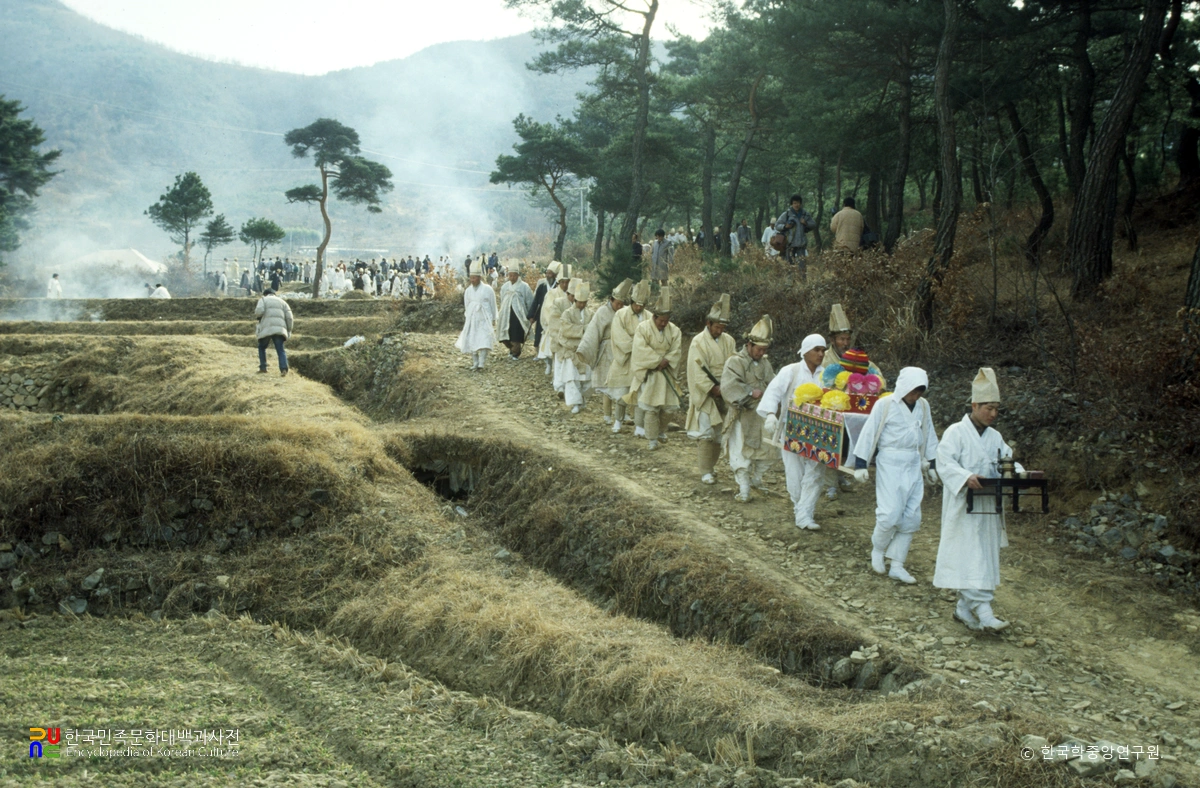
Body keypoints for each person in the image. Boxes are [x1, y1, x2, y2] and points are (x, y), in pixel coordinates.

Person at [933, 368, 1019, 633]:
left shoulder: (996, 437)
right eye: (988, 408)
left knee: (984, 556)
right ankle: (984, 611)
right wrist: (965, 476)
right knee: (968, 555)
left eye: (996, 409)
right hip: (964, 505)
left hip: (988, 506)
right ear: (974, 405)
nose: (993, 414)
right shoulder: (955, 432)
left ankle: (963, 608)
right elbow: (943, 463)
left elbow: (1007, 461)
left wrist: (1017, 471)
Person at [852, 367, 939, 584]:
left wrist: (933, 464)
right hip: (890, 461)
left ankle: (897, 564)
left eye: (920, 391)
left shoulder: (923, 407)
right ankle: (878, 550)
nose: (916, 396)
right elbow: (870, 432)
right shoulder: (886, 404)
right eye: (913, 391)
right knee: (889, 513)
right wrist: (861, 464)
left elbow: (929, 434)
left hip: (913, 462)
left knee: (911, 517)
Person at [758, 334, 828, 530]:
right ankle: (800, 507)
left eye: (823, 350)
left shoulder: (827, 375)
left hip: (819, 432)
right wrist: (771, 414)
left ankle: (806, 514)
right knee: (795, 472)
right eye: (817, 350)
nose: (821, 354)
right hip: (792, 430)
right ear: (805, 351)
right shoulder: (791, 371)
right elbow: (774, 392)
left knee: (815, 472)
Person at [721, 315, 776, 502]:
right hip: (742, 414)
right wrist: (749, 391)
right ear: (749, 345)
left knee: (767, 450)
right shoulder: (735, 361)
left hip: (761, 415)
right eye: (759, 349)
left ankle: (757, 479)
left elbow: (773, 383)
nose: (761, 353)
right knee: (740, 451)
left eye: (764, 350)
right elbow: (729, 386)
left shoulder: (765, 363)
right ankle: (744, 488)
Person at [686, 294, 735, 484]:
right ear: (708, 323)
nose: (719, 330)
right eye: (717, 327)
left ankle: (712, 467)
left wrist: (728, 386)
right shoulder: (698, 342)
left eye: (722, 328)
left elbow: (733, 365)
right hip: (707, 392)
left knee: (719, 432)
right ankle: (705, 470)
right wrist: (711, 387)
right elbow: (696, 370)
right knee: (706, 432)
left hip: (725, 390)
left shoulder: (729, 340)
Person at [627, 287, 682, 451]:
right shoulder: (643, 328)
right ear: (654, 317)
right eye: (660, 321)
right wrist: (656, 361)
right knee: (651, 408)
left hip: (666, 373)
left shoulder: (675, 330)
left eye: (666, 321)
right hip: (650, 373)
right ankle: (652, 439)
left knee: (669, 407)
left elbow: (676, 350)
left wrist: (667, 360)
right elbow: (639, 349)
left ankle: (660, 430)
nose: (663, 324)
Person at [576, 279, 631, 425]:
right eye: (617, 303)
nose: (619, 306)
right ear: (611, 300)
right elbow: (593, 332)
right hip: (606, 350)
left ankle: (622, 414)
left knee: (622, 384)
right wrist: (585, 349)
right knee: (607, 384)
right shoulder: (602, 312)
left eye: (621, 304)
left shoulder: (626, 313)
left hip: (621, 350)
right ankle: (607, 414)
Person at [606, 280, 651, 435]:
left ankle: (639, 426)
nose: (639, 308)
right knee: (622, 392)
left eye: (642, 305)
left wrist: (644, 350)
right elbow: (619, 337)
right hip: (625, 358)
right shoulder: (621, 314)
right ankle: (618, 421)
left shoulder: (649, 317)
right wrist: (637, 345)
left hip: (641, 361)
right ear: (632, 302)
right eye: (637, 304)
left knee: (640, 394)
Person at [821, 304, 888, 389]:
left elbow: (881, 382)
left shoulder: (858, 359)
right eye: (842, 339)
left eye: (848, 339)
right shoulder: (823, 359)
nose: (846, 343)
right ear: (832, 340)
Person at [454, 259, 498, 371]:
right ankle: (475, 362)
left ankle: (482, 362)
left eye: (474, 278)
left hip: (484, 318)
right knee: (472, 339)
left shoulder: (488, 289)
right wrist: (468, 315)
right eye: (471, 278)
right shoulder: (468, 291)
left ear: (479, 278)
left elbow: (493, 304)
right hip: (473, 318)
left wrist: (493, 318)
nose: (472, 280)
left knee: (484, 339)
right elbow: (466, 305)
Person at [558, 281, 593, 414]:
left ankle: (582, 400)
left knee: (585, 379)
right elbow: (566, 329)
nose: (582, 305)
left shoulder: (590, 314)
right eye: (579, 302)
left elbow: (593, 330)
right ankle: (575, 403)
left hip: (585, 351)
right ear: (575, 300)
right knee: (572, 378)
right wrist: (583, 330)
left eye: (584, 303)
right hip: (571, 351)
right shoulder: (567, 313)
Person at [530, 261, 561, 373]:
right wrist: (532, 315)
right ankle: (546, 362)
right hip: (543, 316)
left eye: (550, 273)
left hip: (556, 318)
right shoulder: (542, 286)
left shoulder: (559, 287)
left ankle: (553, 364)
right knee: (541, 338)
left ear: (556, 275)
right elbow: (536, 301)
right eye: (547, 273)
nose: (548, 275)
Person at [254, 288, 293, 376]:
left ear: (265, 294)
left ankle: (263, 367)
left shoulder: (263, 300)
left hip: (266, 327)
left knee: (262, 347)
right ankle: (283, 369)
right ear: (274, 294)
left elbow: (259, 312)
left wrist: (259, 317)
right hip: (279, 329)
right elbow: (289, 318)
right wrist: (289, 330)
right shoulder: (283, 302)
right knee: (280, 349)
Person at [498, 266, 534, 360]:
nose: (512, 277)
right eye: (510, 275)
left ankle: (516, 352)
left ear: (518, 275)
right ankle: (511, 349)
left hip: (518, 314)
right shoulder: (505, 286)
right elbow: (502, 298)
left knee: (516, 333)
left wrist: (530, 315)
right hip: (507, 313)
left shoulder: (524, 286)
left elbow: (529, 300)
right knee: (506, 334)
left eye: (514, 275)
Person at [775, 194, 814, 276]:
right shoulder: (786, 214)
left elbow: (813, 224)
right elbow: (777, 225)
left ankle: (802, 284)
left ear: (801, 203)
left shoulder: (805, 214)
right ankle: (790, 284)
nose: (797, 205)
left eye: (798, 203)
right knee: (789, 265)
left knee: (802, 265)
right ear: (791, 204)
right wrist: (785, 226)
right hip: (790, 244)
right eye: (795, 203)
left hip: (801, 243)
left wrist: (805, 223)